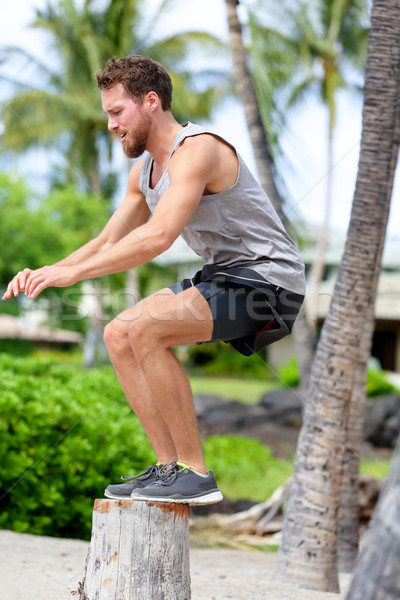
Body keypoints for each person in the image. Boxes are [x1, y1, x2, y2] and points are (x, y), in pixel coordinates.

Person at [2, 55, 306, 505]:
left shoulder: (198, 149)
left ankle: (196, 472)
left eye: (116, 112)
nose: (110, 125)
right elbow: (110, 239)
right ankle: (170, 470)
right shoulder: (143, 173)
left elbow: (159, 237)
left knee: (147, 328)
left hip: (269, 282)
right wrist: (51, 271)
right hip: (223, 277)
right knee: (118, 333)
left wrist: (72, 273)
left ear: (149, 102)